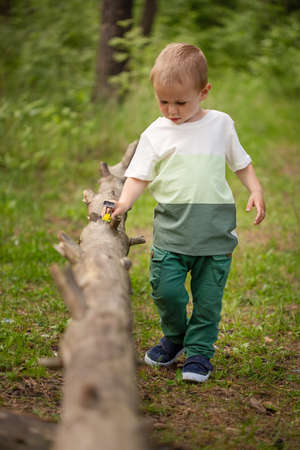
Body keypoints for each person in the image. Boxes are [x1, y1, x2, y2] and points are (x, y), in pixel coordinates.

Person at [107, 43, 265, 383]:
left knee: (207, 302)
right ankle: (175, 336)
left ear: (204, 92)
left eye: (181, 102)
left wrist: (255, 188)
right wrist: (123, 203)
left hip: (214, 236)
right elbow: (138, 177)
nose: (172, 110)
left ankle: (199, 353)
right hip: (172, 235)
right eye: (163, 101)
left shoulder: (220, 125)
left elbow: (241, 163)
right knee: (166, 291)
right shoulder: (155, 133)